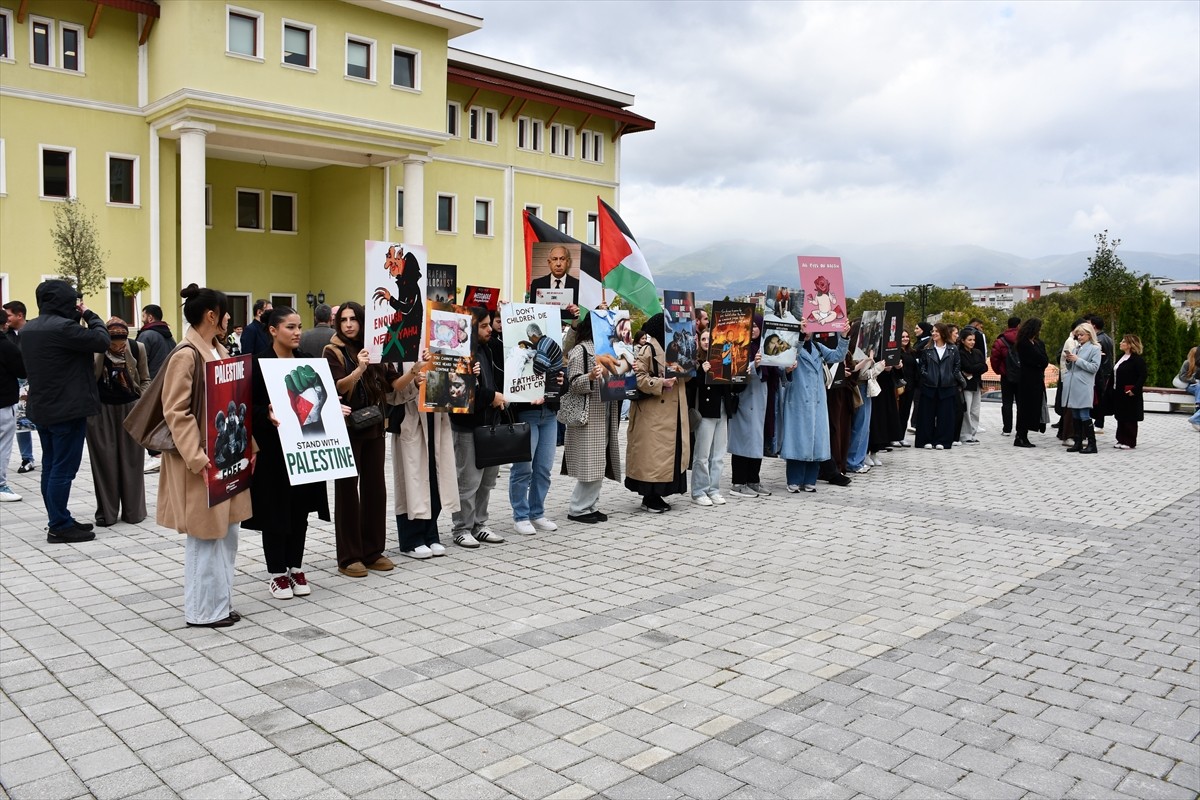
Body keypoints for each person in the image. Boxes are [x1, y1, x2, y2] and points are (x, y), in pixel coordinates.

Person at [158, 285, 250, 627]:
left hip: (226, 459)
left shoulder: (218, 350)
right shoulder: (186, 354)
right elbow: (175, 411)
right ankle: (201, 612)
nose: (229, 319)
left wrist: (247, 447)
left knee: (227, 535)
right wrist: (196, 457)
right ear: (212, 315)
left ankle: (219, 605)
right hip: (202, 463)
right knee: (205, 537)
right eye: (225, 313)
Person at [244, 307, 332, 599]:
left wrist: (335, 409)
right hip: (273, 451)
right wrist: (264, 413)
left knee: (300, 510)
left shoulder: (307, 362)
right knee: (275, 511)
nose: (297, 332)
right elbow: (248, 408)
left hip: (305, 449)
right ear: (273, 330)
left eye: (299, 327)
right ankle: (277, 572)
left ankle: (295, 566)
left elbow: (324, 402)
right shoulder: (259, 365)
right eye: (290, 327)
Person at [21, 280, 111, 543]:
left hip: (43, 408)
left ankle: (58, 518)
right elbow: (101, 340)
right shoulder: (64, 328)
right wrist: (89, 314)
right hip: (67, 410)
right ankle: (59, 525)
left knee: (50, 466)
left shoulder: (30, 328)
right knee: (63, 468)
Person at [324, 302, 407, 577]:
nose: (348, 324)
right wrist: (359, 368)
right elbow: (337, 387)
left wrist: (417, 368)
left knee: (375, 489)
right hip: (347, 427)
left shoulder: (377, 348)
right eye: (343, 319)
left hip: (373, 425)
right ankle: (349, 557)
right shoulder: (333, 350)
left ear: (362, 321)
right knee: (347, 491)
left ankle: (372, 551)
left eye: (353, 319)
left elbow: (394, 385)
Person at [391, 350, 457, 559]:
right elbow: (391, 391)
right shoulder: (399, 346)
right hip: (410, 418)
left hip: (435, 415)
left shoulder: (439, 345)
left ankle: (431, 533)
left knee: (435, 476)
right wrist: (414, 379)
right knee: (412, 480)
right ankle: (411, 538)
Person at [450, 308, 508, 546]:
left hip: (490, 424)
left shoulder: (487, 348)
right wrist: (490, 395)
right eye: (483, 326)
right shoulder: (457, 353)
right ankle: (461, 527)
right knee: (468, 481)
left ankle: (480, 523)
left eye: (488, 325)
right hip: (467, 426)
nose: (489, 329)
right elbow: (458, 393)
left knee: (487, 480)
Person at [86, 318, 151, 526]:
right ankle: (107, 513)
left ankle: (134, 512)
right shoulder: (95, 350)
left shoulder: (137, 347)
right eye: (114, 342)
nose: (119, 346)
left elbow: (145, 378)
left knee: (132, 461)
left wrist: (142, 401)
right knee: (104, 462)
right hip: (101, 410)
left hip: (130, 409)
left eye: (122, 340)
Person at [625, 313, 691, 512]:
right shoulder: (648, 349)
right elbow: (638, 378)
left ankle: (660, 494)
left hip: (673, 411)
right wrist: (661, 383)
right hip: (654, 413)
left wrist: (688, 367)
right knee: (654, 455)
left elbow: (685, 378)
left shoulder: (676, 348)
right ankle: (650, 497)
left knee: (668, 453)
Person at [562, 314, 622, 523]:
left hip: (606, 409)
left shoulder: (609, 349)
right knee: (591, 462)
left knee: (599, 461)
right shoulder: (581, 350)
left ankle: (590, 505)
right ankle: (578, 508)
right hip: (589, 414)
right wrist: (589, 377)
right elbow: (573, 383)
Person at [778, 320, 850, 492]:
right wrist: (800, 337)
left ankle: (810, 479)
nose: (807, 330)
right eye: (803, 327)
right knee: (798, 440)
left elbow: (837, 356)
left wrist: (844, 336)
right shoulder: (790, 345)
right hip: (798, 401)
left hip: (817, 401)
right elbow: (784, 364)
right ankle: (794, 480)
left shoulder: (817, 347)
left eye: (809, 326)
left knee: (816, 440)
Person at [508, 322, 563, 536]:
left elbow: (558, 378)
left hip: (548, 413)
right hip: (526, 413)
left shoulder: (546, 347)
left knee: (543, 468)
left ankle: (537, 512)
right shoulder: (517, 355)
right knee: (523, 468)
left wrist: (561, 381)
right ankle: (520, 515)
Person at [728, 314, 777, 497]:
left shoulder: (766, 347)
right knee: (743, 442)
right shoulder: (741, 346)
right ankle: (738, 483)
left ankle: (753, 480)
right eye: (752, 326)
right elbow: (736, 370)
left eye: (757, 326)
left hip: (762, 400)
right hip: (745, 400)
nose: (754, 330)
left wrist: (787, 368)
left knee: (757, 441)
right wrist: (754, 364)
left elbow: (774, 373)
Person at [688, 329, 736, 505]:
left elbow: (732, 386)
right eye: (703, 339)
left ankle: (713, 489)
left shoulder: (724, 358)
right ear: (699, 342)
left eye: (710, 338)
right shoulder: (695, 362)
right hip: (705, 411)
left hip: (722, 409)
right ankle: (699, 491)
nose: (707, 341)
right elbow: (691, 385)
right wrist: (701, 371)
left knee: (718, 455)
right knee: (702, 454)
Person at [914, 323, 960, 451]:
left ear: (943, 333)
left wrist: (950, 377)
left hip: (947, 386)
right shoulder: (927, 349)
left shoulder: (952, 349)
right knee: (926, 415)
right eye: (933, 331)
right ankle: (925, 440)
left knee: (945, 415)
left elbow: (957, 366)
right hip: (929, 385)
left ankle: (943, 440)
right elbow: (922, 366)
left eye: (936, 331)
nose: (933, 333)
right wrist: (927, 376)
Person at [4, 301, 37, 474]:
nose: (6, 319)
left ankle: (50, 457)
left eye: (8, 314)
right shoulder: (6, 335)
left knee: (42, 420)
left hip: (36, 381)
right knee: (21, 423)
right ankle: (27, 458)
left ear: (20, 315)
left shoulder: (34, 331)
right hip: (15, 384)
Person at [1059, 322, 1101, 454]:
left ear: (1089, 335)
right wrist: (1069, 360)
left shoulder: (1095, 348)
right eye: (1078, 335)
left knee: (1084, 414)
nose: (1079, 337)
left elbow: (1094, 367)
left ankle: (1092, 444)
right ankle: (1077, 442)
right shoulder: (1077, 348)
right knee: (1075, 414)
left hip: (1083, 385)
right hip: (1073, 384)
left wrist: (1078, 360)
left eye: (1082, 335)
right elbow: (1072, 367)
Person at [1014, 318, 1050, 448]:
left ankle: (1025, 434)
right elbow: (1035, 358)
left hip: (1037, 379)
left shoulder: (1037, 343)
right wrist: (1039, 361)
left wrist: (1039, 361)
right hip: (1026, 380)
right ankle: (1020, 436)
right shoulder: (1023, 343)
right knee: (1025, 408)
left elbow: (1044, 360)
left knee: (1033, 407)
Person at [0, 327, 25, 502]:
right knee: (3, 445)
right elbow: (22, 371)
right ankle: (1, 486)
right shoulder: (6, 346)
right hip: (3, 402)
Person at [1110, 334, 1147, 449]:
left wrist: (1134, 390)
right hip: (1118, 391)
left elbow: (1142, 376)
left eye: (1123, 342)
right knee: (1120, 415)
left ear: (1130, 345)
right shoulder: (1121, 357)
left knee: (1129, 416)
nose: (1121, 343)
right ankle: (1120, 439)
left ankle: (1129, 441)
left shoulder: (1137, 360)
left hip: (1130, 392)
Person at [529, 245, 581, 318]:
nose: (558, 264)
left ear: (568, 262)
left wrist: (577, 313)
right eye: (555, 259)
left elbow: (581, 316)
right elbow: (532, 312)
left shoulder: (578, 285)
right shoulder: (537, 284)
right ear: (549, 262)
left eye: (562, 259)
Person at [990, 316, 1021, 436]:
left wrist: (999, 370)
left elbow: (994, 358)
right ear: (1018, 325)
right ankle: (1020, 428)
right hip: (1021, 375)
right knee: (1021, 403)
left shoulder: (1000, 341)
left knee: (1007, 403)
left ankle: (1007, 429)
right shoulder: (1023, 338)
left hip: (1006, 375)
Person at [958, 330, 987, 443]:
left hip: (977, 384)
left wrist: (974, 368)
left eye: (973, 340)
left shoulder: (977, 352)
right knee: (967, 410)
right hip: (966, 385)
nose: (972, 342)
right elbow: (967, 367)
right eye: (969, 340)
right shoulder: (960, 353)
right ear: (963, 340)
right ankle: (965, 434)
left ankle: (973, 433)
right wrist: (976, 367)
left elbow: (984, 367)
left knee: (975, 411)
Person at [1088, 315, 1115, 435]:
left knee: (1099, 398)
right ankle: (1098, 422)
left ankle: (1099, 423)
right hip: (1106, 371)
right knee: (1100, 398)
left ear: (1093, 325)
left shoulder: (1098, 340)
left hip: (1101, 372)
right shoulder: (1107, 338)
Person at [136, 304, 176, 379]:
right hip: (168, 380)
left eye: (143, 316)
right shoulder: (170, 336)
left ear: (150, 318)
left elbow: (139, 362)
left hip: (151, 383)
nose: (142, 320)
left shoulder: (146, 335)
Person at [894, 329, 918, 447]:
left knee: (905, 412)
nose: (905, 339)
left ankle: (901, 436)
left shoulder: (912, 352)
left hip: (910, 386)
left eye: (907, 336)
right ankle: (894, 437)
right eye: (902, 337)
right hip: (898, 386)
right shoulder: (895, 352)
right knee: (897, 412)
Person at [1173, 347, 1199, 431]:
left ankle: (1197, 411)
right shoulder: (1187, 363)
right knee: (1199, 387)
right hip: (1190, 385)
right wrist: (1193, 380)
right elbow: (1182, 376)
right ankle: (1198, 405)